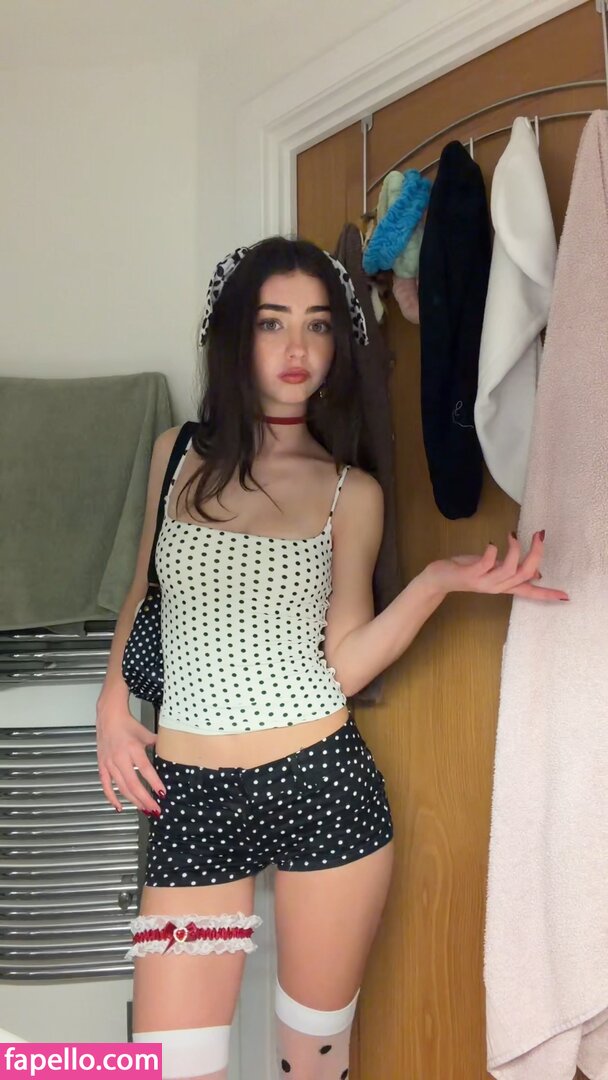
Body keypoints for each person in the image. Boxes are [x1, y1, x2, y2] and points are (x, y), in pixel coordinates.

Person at [95, 237, 568, 1080]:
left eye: (317, 325)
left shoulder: (353, 491)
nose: (297, 348)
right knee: (170, 1063)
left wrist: (435, 583)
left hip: (320, 785)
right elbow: (144, 594)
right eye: (271, 322)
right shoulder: (176, 455)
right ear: (235, 334)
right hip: (191, 798)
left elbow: (342, 665)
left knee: (312, 1060)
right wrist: (111, 709)